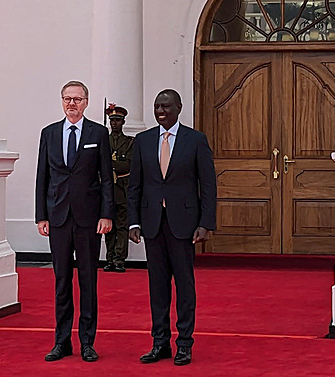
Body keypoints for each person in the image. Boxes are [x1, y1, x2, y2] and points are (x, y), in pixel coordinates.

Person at [128, 89, 216, 366]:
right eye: (156, 106)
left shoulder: (196, 140)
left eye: (166, 106)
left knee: (185, 285)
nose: (160, 111)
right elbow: (135, 187)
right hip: (152, 224)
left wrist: (205, 223)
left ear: (178, 107)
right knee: (157, 287)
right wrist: (133, 221)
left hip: (184, 225)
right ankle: (160, 342)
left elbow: (208, 185)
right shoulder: (142, 141)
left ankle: (185, 343)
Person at [35, 80, 114, 363]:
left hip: (89, 219)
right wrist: (40, 215)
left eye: (77, 99)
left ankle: (88, 342)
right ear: (61, 101)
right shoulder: (49, 133)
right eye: (67, 99)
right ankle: (62, 341)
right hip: (57, 218)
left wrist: (107, 214)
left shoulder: (99, 133)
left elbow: (107, 178)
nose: (72, 104)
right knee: (61, 281)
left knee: (88, 280)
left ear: (86, 102)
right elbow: (42, 176)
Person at [103, 104, 133, 273]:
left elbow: (128, 165)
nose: (115, 123)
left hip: (122, 188)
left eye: (118, 121)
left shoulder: (129, 143)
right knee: (109, 226)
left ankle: (120, 259)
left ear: (123, 122)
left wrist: (109, 164)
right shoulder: (103, 140)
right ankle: (109, 258)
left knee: (122, 225)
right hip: (107, 189)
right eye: (112, 120)